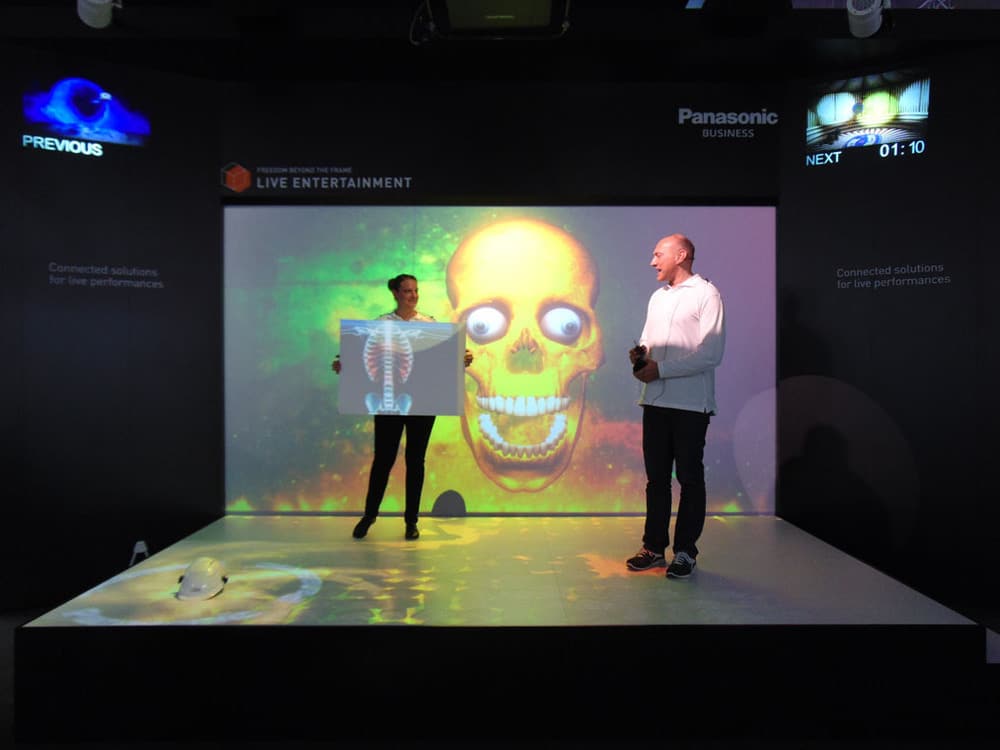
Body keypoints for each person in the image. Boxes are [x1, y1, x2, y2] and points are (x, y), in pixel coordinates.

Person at [332, 274, 472, 541]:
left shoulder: (430, 325)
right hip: (388, 404)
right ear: (395, 293)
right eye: (407, 291)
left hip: (422, 402)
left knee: (415, 461)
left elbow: (444, 359)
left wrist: (461, 357)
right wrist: (344, 364)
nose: (413, 296)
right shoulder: (380, 324)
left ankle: (411, 521)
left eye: (416, 291)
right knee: (383, 459)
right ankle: (369, 515)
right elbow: (357, 356)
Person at [626, 234, 725, 579]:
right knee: (656, 480)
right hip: (654, 402)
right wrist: (640, 356)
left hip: (690, 406)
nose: (652, 262)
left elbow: (711, 354)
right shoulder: (658, 297)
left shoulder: (707, 294)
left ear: (681, 255)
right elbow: (647, 340)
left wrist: (662, 370)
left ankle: (685, 552)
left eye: (658, 255)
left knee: (689, 480)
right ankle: (654, 548)